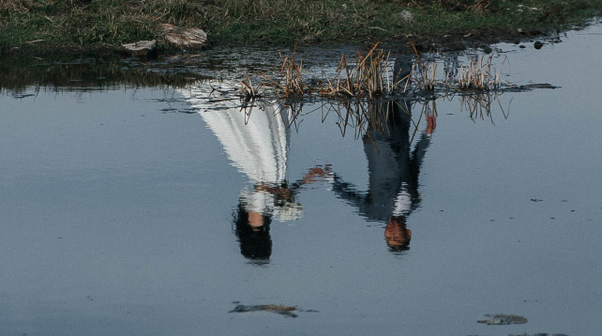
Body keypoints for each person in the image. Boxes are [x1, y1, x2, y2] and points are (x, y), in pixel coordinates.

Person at [179, 83, 331, 263]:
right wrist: (305, 180)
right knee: (268, 141)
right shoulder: (262, 220)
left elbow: (261, 190)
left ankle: (259, 102)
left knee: (265, 142)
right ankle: (260, 100)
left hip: (267, 173)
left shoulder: (258, 221)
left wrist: (287, 191)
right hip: (274, 173)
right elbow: (279, 195)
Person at [330, 56, 436, 252]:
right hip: (402, 135)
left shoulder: (374, 213)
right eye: (397, 236)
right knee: (403, 91)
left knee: (377, 95)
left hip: (379, 141)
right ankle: (404, 51)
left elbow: (350, 197)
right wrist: (427, 136)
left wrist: (330, 180)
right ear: (408, 232)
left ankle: (369, 56)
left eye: (389, 237)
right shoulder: (413, 203)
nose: (391, 232)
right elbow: (415, 166)